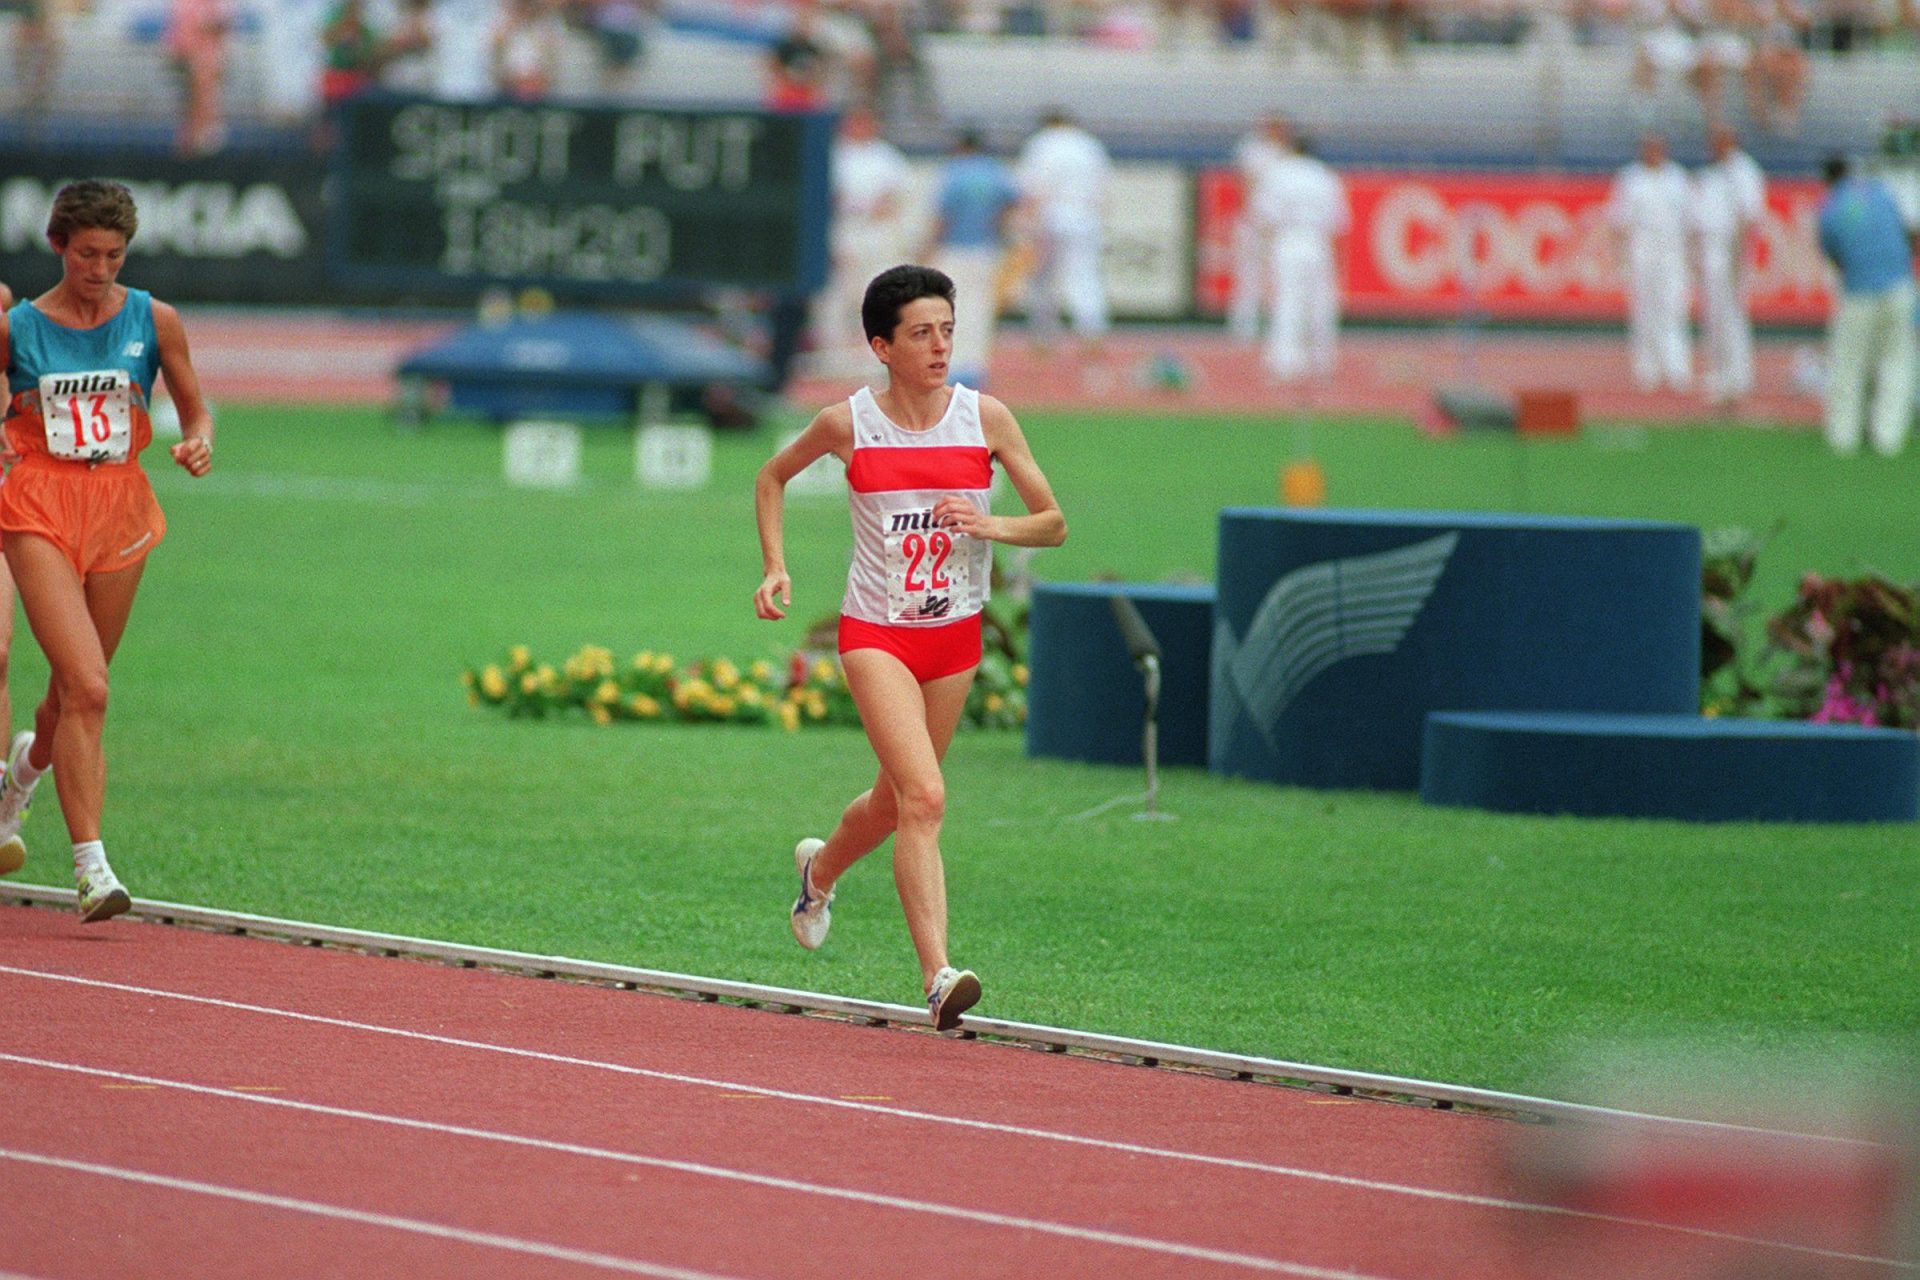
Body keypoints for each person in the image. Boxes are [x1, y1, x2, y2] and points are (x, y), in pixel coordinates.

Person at [752, 264, 1066, 1029]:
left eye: (948, 332)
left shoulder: (986, 419)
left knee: (896, 802)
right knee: (925, 798)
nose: (939, 347)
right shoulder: (847, 424)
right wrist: (776, 567)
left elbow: (1052, 522)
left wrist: (991, 525)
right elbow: (771, 476)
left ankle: (819, 871)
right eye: (921, 334)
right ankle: (937, 978)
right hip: (877, 636)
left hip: (954, 638)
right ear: (881, 346)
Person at [0, 180, 215, 920]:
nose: (100, 269)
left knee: (70, 695)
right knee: (89, 685)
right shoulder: (19, 329)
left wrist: (197, 442)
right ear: (59, 246)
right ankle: (92, 869)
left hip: (120, 506)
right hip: (37, 503)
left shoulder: (154, 319)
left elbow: (194, 406)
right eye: (87, 254)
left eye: (114, 256)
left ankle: (19, 776)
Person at [1815, 154, 1917, 456]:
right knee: (1896, 362)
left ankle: (1843, 435)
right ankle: (1888, 436)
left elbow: (1834, 257)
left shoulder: (1830, 209)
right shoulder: (1882, 193)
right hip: (1899, 287)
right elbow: (1907, 234)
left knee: (1848, 363)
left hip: (1858, 292)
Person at [1015, 108, 1113, 384]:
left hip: (1050, 216)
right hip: (1084, 217)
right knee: (1085, 278)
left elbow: (1031, 189)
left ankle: (1044, 340)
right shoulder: (1090, 145)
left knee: (1044, 281)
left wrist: (1025, 226)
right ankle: (1092, 334)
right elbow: (1103, 190)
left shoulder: (1042, 143)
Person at [814, 103, 913, 375]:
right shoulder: (834, 154)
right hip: (842, 228)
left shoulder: (886, 157)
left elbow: (896, 197)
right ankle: (832, 358)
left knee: (874, 295)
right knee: (835, 296)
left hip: (874, 232)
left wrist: (873, 210)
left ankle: (874, 357)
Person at [925, 126, 1021, 390]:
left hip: (956, 247)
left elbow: (943, 216)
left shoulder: (954, 174)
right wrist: (998, 225)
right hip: (987, 248)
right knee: (980, 307)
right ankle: (976, 366)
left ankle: (953, 364)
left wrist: (927, 248)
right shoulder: (995, 172)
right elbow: (1015, 201)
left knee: (952, 307)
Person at [1253, 131, 1350, 382]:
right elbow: (1338, 222)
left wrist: (1264, 252)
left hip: (1288, 238)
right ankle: (1322, 360)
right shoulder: (1325, 175)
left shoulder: (1279, 172)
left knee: (1288, 300)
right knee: (1322, 302)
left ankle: (1285, 362)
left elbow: (1264, 216)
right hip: (1318, 241)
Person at [1608, 132, 1695, 392]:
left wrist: (1691, 257)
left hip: (1672, 250)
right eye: (1649, 148)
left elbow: (1690, 222)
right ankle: (1647, 369)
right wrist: (1620, 258)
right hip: (1642, 249)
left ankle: (1676, 366)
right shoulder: (1630, 179)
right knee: (1644, 310)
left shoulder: (1677, 178)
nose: (1653, 153)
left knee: (1673, 308)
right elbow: (1619, 222)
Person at [1692, 124, 1768, 405]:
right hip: (1713, 250)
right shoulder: (1712, 174)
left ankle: (1737, 376)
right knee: (1715, 316)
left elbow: (1747, 218)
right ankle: (1720, 374)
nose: (1715, 147)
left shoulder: (1744, 172)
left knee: (1731, 315)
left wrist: (1738, 259)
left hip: (1730, 251)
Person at [1228, 113, 1291, 345]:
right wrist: (1255, 218)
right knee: (1248, 276)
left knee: (1278, 277)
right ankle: (1244, 327)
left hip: (1279, 224)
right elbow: (1247, 184)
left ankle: (1276, 327)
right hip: (1254, 221)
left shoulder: (1286, 152)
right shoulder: (1253, 149)